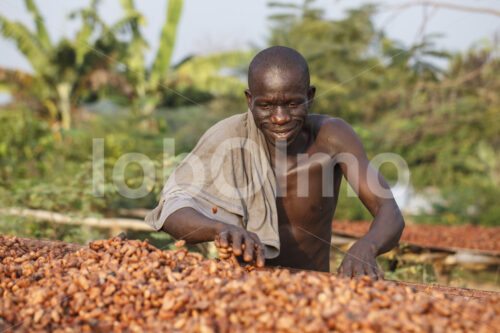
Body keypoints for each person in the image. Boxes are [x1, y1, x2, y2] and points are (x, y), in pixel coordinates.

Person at [146, 46, 405, 279]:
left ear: (310, 96)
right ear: (250, 100)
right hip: (242, 290)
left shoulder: (332, 137)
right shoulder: (228, 138)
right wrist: (219, 228)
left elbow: (388, 210)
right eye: (267, 106)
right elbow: (174, 208)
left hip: (313, 289)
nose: (280, 118)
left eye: (292, 104)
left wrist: (366, 246)